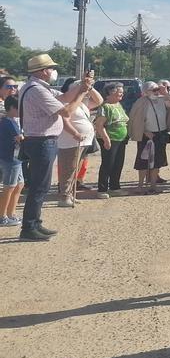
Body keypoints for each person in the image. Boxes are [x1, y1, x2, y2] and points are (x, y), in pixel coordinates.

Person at [17, 55, 92, 241]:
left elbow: (64, 97)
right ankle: (29, 227)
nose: (52, 72)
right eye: (50, 68)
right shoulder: (37, 90)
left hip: (42, 141)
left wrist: (81, 86)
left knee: (40, 186)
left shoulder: (37, 87)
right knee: (39, 187)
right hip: (41, 141)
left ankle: (35, 223)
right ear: (43, 71)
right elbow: (66, 110)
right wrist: (82, 93)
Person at [55, 76, 102, 207]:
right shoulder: (65, 104)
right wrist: (75, 133)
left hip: (83, 141)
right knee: (68, 169)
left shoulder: (82, 104)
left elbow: (99, 100)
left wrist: (89, 88)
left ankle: (70, 193)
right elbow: (65, 120)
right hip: (70, 141)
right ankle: (64, 196)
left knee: (75, 169)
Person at [128, 80, 170, 193]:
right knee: (142, 161)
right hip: (146, 134)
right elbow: (135, 119)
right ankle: (140, 185)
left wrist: (165, 93)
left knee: (157, 161)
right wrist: (144, 131)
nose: (157, 92)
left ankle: (153, 185)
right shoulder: (140, 102)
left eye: (158, 89)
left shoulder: (162, 100)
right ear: (146, 91)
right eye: (154, 90)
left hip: (160, 134)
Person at [93, 82, 130, 197]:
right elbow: (99, 125)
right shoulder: (105, 107)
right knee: (108, 163)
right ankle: (102, 189)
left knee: (118, 163)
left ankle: (114, 186)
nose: (121, 93)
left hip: (121, 139)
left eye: (122, 92)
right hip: (110, 138)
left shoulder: (118, 105)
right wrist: (106, 139)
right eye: (119, 91)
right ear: (110, 93)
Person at [1, 95, 23, 226]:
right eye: (18, 108)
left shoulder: (12, 120)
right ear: (11, 108)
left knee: (19, 185)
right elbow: (19, 138)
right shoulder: (8, 122)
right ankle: (2, 215)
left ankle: (11, 213)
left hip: (15, 159)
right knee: (9, 187)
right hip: (10, 159)